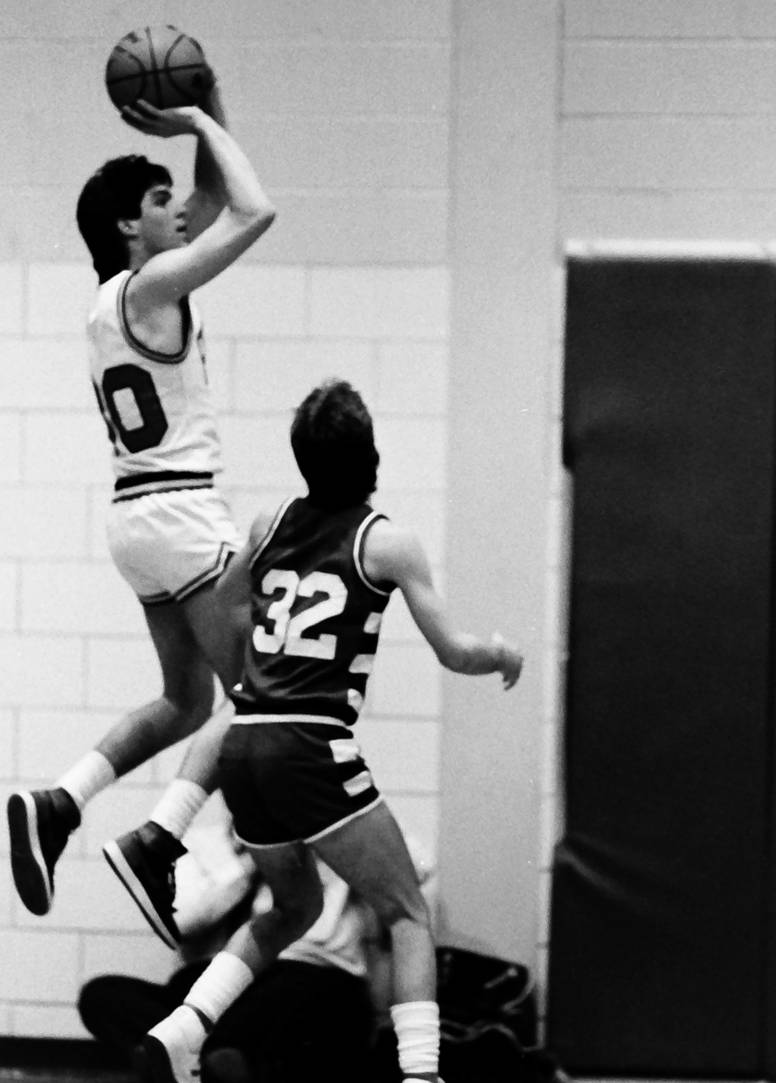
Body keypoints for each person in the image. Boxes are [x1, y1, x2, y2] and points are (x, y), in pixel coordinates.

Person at [136, 379, 524, 1083]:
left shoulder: (269, 522)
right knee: (407, 912)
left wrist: (266, 653)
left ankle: (183, 1028)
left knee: (293, 907)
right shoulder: (387, 541)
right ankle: (422, 1076)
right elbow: (453, 651)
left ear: (303, 460)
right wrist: (499, 653)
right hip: (310, 743)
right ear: (370, 455)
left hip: (245, 741)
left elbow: (225, 598)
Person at [6, 60, 275, 950]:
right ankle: (160, 839)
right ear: (130, 225)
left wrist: (208, 109)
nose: (180, 211)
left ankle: (61, 801)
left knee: (186, 701)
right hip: (183, 514)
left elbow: (213, 195)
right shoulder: (150, 290)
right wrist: (197, 119)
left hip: (136, 518)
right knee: (263, 697)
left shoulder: (115, 301)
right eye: (163, 203)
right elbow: (253, 210)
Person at [78, 799, 435, 1083]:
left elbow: (419, 865)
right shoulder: (203, 844)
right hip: (216, 978)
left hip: (315, 975)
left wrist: (338, 829)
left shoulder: (338, 845)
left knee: (313, 1002)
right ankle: (216, 1060)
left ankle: (192, 1058)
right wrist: (255, 861)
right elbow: (183, 920)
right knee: (102, 995)